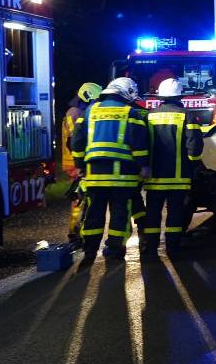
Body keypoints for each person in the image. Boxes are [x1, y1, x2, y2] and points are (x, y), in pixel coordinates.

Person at [69, 77, 149, 261]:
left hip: (95, 175)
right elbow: (139, 144)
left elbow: (77, 141)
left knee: (94, 213)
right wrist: (143, 165)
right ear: (127, 94)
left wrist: (80, 165)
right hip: (122, 176)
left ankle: (89, 250)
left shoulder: (90, 111)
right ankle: (114, 250)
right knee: (119, 214)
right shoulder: (131, 113)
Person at [140, 78, 203, 258]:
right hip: (179, 176)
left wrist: (144, 166)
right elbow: (194, 147)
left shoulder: (149, 115)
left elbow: (142, 143)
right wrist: (194, 164)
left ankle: (150, 248)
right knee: (175, 213)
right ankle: (172, 248)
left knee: (152, 213)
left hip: (154, 177)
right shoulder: (187, 115)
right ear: (180, 95)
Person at [63, 82, 102, 247]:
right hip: (75, 164)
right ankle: (74, 234)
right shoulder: (75, 113)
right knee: (79, 200)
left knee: (83, 199)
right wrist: (81, 166)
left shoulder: (78, 111)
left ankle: (79, 232)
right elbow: (74, 141)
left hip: (76, 162)